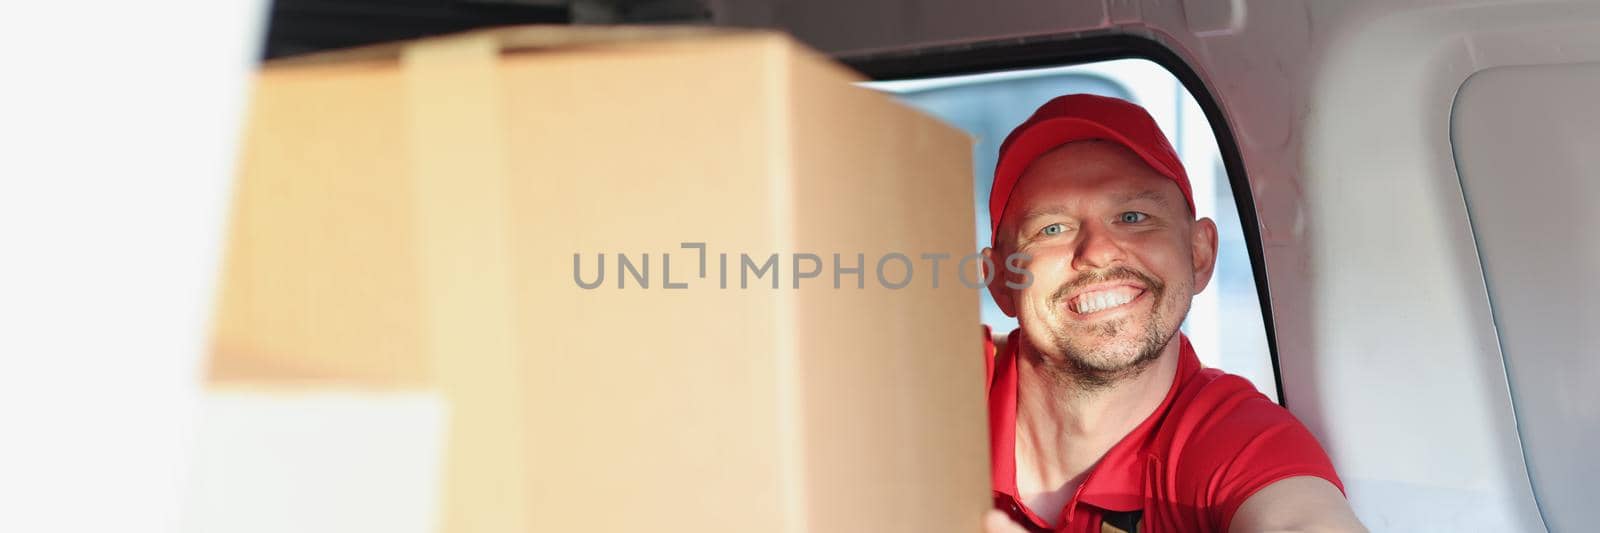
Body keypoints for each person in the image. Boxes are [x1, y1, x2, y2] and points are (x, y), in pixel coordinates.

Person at [977, 94, 1366, 533]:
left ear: (1200, 254)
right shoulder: (936, 385)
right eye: (1052, 228)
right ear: (999, 280)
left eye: (1132, 216)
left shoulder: (1237, 443)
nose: (1098, 252)